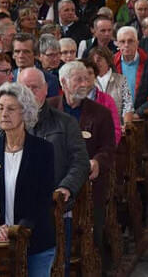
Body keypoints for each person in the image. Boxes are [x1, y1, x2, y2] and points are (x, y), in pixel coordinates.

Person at [17, 67, 90, 277]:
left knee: (55, 267)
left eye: (35, 87)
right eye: (24, 87)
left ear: (46, 89)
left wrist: (66, 186)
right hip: (16, 211)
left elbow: (80, 161)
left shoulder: (65, 122)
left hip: (55, 207)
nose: (30, 93)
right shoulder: (8, 123)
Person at [48, 60, 116, 272]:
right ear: (63, 82)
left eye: (87, 79)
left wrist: (97, 161)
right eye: (78, 79)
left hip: (89, 185)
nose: (84, 84)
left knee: (90, 236)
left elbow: (108, 149)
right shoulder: (49, 109)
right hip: (54, 183)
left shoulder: (101, 113)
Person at [0, 82, 56, 277]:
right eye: (0, 108)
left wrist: (17, 228)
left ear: (25, 112)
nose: (4, 113)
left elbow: (42, 199)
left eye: (11, 109)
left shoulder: (43, 150)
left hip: (35, 242)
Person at [114, 26, 148, 118]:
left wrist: (138, 113)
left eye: (130, 41)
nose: (126, 45)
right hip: (116, 117)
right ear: (117, 44)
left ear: (137, 43)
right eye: (122, 42)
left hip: (141, 119)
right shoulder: (112, 62)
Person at [88, 46, 133, 124]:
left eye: (99, 60)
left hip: (118, 126)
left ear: (108, 61)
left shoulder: (121, 79)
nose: (96, 63)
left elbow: (128, 105)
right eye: (93, 61)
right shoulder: (89, 81)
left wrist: (126, 125)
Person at [81, 58, 121, 145]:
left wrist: (107, 151)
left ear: (95, 76)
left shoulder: (107, 99)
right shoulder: (72, 100)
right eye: (83, 74)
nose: (86, 77)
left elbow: (115, 129)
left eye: (90, 73)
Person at [12, 33, 59, 97]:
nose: (21, 56)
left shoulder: (50, 80)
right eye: (17, 51)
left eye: (26, 52)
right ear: (13, 55)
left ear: (35, 54)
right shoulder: (8, 78)